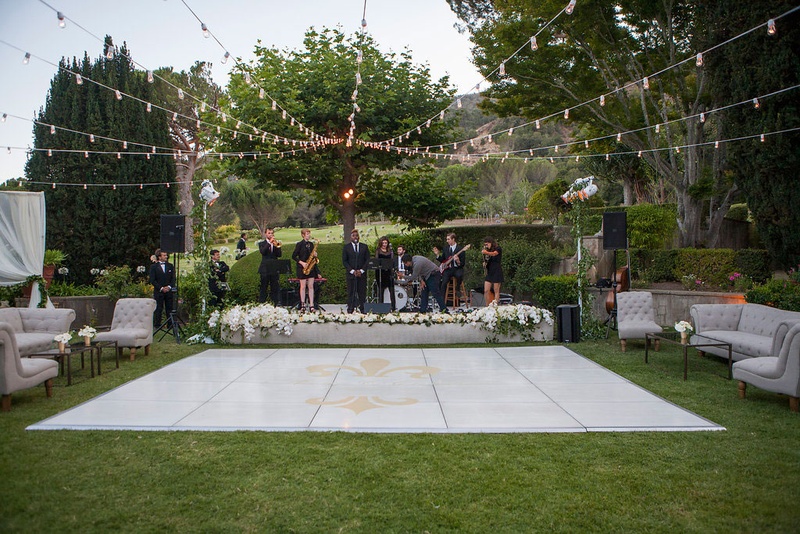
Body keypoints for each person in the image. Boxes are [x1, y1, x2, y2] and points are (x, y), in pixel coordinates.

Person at [342, 229, 370, 313]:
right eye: (353, 236)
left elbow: (367, 260)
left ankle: (363, 309)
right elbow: (345, 261)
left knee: (362, 292)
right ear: (350, 237)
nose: (355, 237)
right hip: (351, 274)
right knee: (351, 292)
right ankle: (350, 308)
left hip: (361, 274)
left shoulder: (364, 247)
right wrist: (352, 271)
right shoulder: (346, 247)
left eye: (356, 235)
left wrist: (361, 271)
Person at [292, 228, 319, 312]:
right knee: (303, 287)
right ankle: (303, 305)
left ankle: (311, 305)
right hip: (302, 267)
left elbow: (312, 257)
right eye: (307, 234)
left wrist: (315, 255)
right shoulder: (299, 244)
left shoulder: (311, 244)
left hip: (310, 268)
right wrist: (302, 263)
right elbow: (294, 256)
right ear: (303, 235)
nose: (309, 235)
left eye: (309, 234)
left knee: (311, 286)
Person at [149, 249, 175, 328]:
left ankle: (170, 324)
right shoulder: (154, 267)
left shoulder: (170, 266)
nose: (166, 257)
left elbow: (173, 278)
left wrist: (169, 287)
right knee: (158, 308)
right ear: (159, 257)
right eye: (164, 255)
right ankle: (157, 325)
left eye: (166, 255)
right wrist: (161, 288)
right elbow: (152, 280)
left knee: (169, 308)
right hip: (159, 291)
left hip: (168, 291)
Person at [434, 232, 466, 298]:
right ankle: (442, 300)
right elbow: (443, 260)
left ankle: (457, 289)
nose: (447, 241)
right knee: (443, 282)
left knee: (459, 275)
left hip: (457, 268)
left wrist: (458, 261)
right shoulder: (446, 248)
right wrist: (437, 255)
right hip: (448, 269)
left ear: (453, 239)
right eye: (447, 239)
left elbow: (462, 264)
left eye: (448, 239)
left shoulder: (460, 249)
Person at [258, 228, 283, 305]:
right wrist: (269, 243)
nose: (271, 235)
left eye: (272, 233)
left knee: (275, 286)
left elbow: (279, 255)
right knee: (263, 287)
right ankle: (262, 303)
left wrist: (275, 245)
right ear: (266, 234)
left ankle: (276, 303)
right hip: (265, 268)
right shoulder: (262, 243)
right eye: (269, 233)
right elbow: (263, 252)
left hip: (274, 268)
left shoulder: (276, 243)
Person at [375, 236, 396, 311]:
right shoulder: (378, 250)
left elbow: (392, 261)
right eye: (383, 243)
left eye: (386, 243)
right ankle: (381, 308)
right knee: (381, 290)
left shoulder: (390, 251)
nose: (384, 244)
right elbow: (377, 261)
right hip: (381, 272)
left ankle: (393, 307)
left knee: (391, 290)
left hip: (389, 272)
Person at [481, 236, 503, 305]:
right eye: (485, 245)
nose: (486, 246)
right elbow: (487, 260)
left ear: (491, 243)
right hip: (490, 271)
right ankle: (487, 305)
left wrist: (486, 252)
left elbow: (494, 254)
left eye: (487, 244)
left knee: (496, 290)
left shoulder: (498, 248)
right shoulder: (488, 251)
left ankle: (495, 305)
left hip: (496, 270)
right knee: (486, 290)